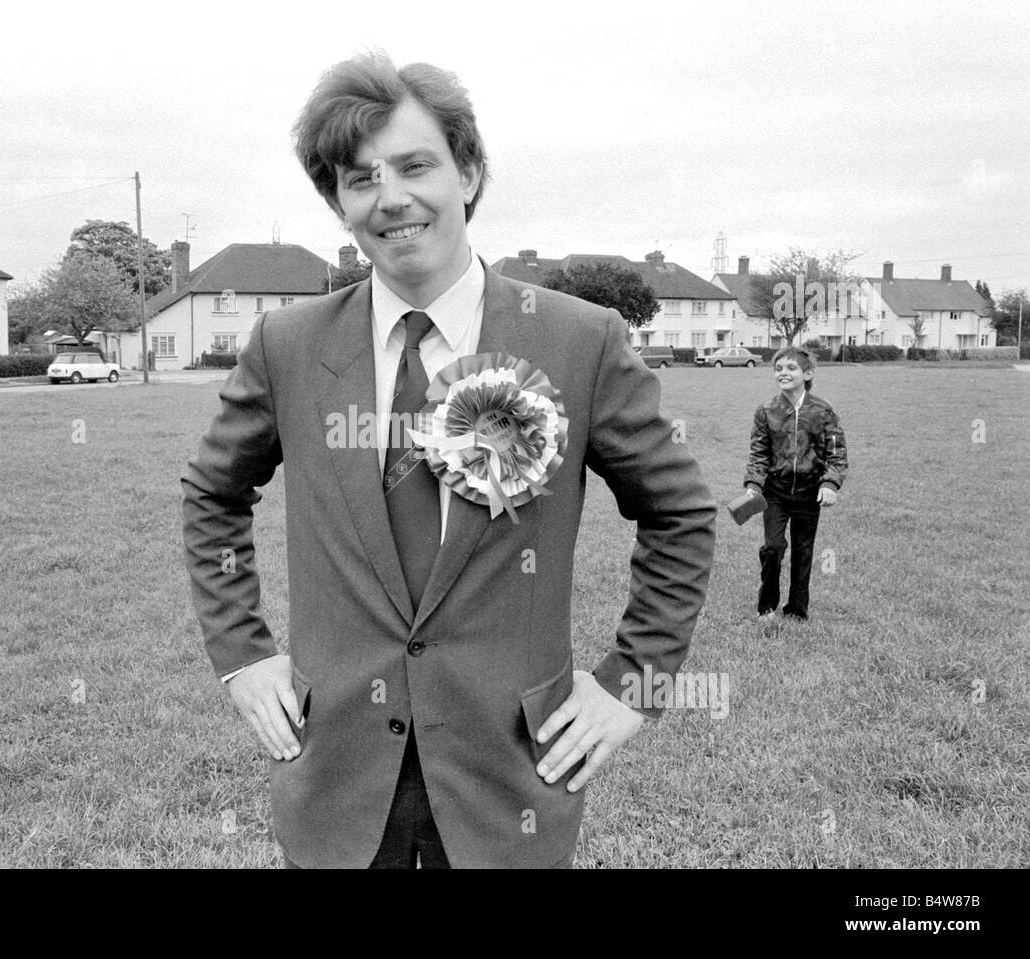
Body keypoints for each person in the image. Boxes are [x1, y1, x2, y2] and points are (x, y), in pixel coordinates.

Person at [180, 51, 716, 869]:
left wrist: (631, 683)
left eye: (415, 165)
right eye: (358, 179)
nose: (390, 197)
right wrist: (244, 656)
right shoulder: (286, 345)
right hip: (336, 784)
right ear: (339, 205)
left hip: (511, 784)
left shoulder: (579, 340)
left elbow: (679, 514)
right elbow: (212, 494)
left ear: (467, 172)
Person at [743, 346, 848, 628]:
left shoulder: (823, 411)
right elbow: (759, 453)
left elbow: (837, 454)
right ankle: (766, 606)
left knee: (804, 551)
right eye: (778, 369)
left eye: (791, 368)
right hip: (774, 493)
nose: (783, 373)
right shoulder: (766, 410)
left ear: (808, 374)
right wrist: (754, 484)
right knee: (773, 547)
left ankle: (797, 610)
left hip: (809, 493)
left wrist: (830, 484)